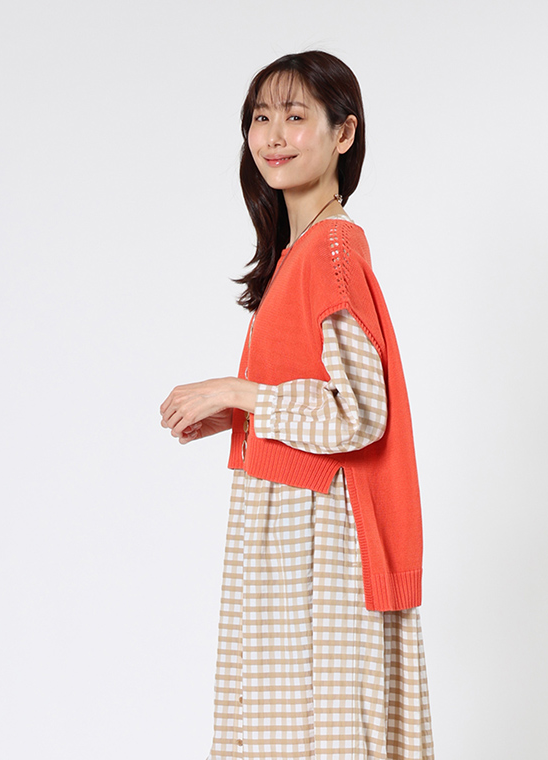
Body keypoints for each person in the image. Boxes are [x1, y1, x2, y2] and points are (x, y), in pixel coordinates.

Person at [160, 50, 435, 759]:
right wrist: (240, 415)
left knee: (314, 738)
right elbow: (321, 393)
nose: (273, 136)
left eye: (294, 116)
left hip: (320, 535)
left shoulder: (330, 251)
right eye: (260, 118)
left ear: (344, 133)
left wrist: (237, 391)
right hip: (294, 523)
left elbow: (360, 412)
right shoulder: (301, 252)